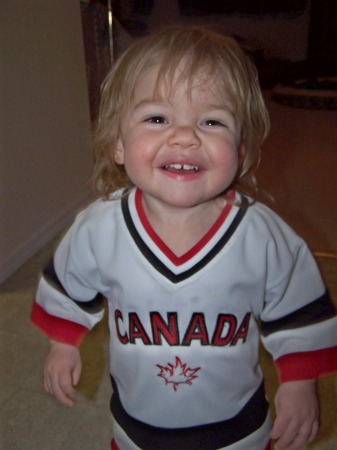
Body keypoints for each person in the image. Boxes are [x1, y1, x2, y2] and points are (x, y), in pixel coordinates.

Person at [31, 27, 337, 450]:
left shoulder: (261, 237)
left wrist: (300, 382)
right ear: (118, 143)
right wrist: (62, 344)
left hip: (237, 429)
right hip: (138, 425)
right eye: (157, 118)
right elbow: (68, 287)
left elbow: (299, 310)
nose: (184, 136)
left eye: (212, 121)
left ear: (242, 150)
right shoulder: (99, 230)